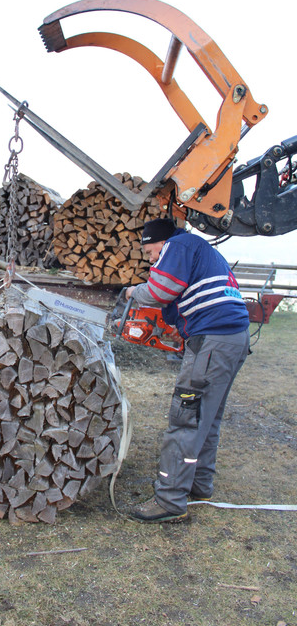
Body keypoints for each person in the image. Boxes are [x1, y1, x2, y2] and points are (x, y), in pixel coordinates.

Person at [123, 217, 250, 523]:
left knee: (186, 417)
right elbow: (177, 304)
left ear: (161, 242)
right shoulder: (201, 251)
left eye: (150, 252)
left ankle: (169, 500)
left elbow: (158, 292)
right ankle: (199, 484)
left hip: (213, 339)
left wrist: (133, 292)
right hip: (233, 337)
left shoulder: (178, 245)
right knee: (208, 416)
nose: (151, 259)